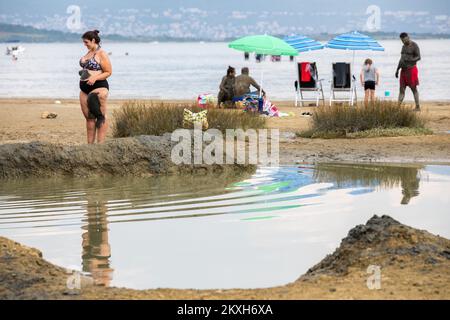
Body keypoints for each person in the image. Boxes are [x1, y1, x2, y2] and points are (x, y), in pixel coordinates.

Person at [79, 30, 112, 144]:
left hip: (99, 86)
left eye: (86, 42)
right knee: (89, 118)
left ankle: (100, 145)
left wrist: (94, 78)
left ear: (93, 40)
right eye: (84, 42)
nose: (85, 44)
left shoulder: (101, 53)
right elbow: (87, 69)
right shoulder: (87, 53)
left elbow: (108, 72)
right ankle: (90, 146)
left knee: (101, 116)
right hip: (84, 89)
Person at [396, 32, 421, 111]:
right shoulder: (403, 47)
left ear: (408, 37)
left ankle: (417, 107)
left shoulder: (414, 45)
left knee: (414, 89)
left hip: (411, 70)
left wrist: (411, 60)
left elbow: (419, 57)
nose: (403, 42)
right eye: (401, 40)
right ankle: (398, 107)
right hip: (403, 71)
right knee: (401, 89)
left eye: (403, 40)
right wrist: (397, 69)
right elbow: (401, 59)